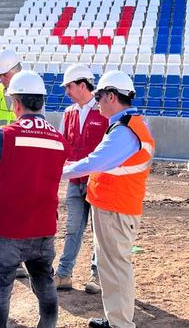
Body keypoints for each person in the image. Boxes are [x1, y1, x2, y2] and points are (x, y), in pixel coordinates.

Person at [61, 70, 155, 328]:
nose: (97, 100)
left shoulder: (124, 130)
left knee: (115, 267)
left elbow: (97, 161)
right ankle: (116, 320)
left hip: (116, 208)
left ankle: (120, 324)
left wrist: (59, 172)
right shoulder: (126, 125)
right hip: (115, 206)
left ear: (111, 96)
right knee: (112, 266)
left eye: (100, 95)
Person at [0, 70, 70, 328]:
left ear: (15, 103)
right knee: (45, 280)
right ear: (42, 102)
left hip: (7, 226)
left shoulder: (4, 135)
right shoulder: (57, 138)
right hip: (42, 225)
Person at [55, 65, 108, 294]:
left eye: (69, 86)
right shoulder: (68, 113)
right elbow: (63, 144)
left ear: (82, 85)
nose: (67, 90)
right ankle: (64, 274)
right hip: (76, 182)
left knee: (100, 231)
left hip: (99, 183)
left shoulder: (105, 113)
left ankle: (98, 276)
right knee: (72, 228)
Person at [0, 48, 29, 278]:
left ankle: (17, 260)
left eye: (5, 75)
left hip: (21, 166)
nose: (2, 79)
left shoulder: (29, 94)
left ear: (17, 70)